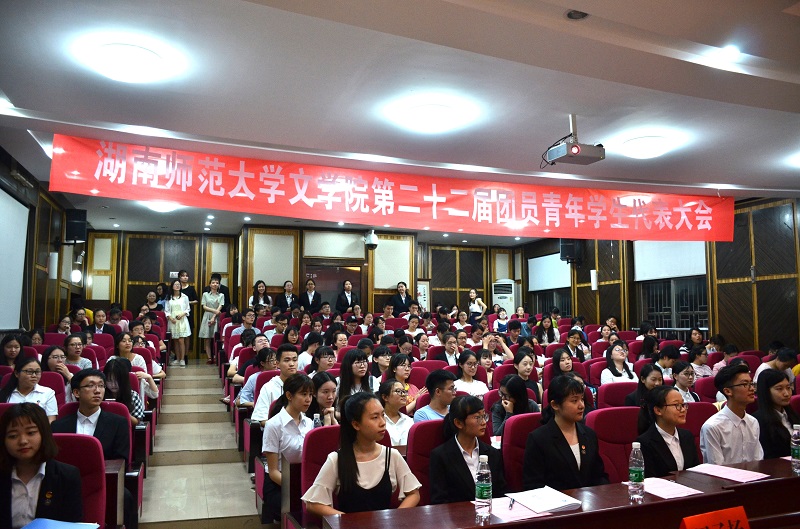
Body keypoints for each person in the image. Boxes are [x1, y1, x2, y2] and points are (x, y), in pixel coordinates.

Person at [302, 391, 420, 515]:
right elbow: (313, 504)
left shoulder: (392, 456)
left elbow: (414, 494)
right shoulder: (337, 459)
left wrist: (394, 517)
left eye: (383, 415)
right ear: (356, 424)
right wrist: (347, 520)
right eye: (375, 417)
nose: (383, 422)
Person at [51, 369, 136, 529]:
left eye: (101, 386)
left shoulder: (118, 423)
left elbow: (121, 459)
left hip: (104, 481)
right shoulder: (59, 426)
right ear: (76, 392)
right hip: (65, 482)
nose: (97, 390)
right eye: (90, 386)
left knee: (125, 497)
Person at [0, 403, 83, 528]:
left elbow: (72, 524)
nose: (23, 441)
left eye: (30, 433)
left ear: (44, 434)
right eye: (13, 436)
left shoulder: (67, 476)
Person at [523, 375, 608, 490]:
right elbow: (533, 486)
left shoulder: (589, 434)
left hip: (590, 499)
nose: (581, 405)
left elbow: (599, 476)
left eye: (582, 399)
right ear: (555, 405)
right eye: (574, 400)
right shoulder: (538, 439)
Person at [429, 395, 507, 504]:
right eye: (477, 417)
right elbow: (439, 501)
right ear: (459, 423)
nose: (484, 422)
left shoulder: (492, 453)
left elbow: (501, 493)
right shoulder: (440, 456)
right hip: (457, 514)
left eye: (484, 416)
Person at [261, 373, 314, 524]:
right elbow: (273, 472)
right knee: (299, 510)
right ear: (289, 395)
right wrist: (298, 488)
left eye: (310, 394)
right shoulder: (273, 425)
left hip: (303, 481)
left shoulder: (309, 423)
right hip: (280, 484)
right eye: (303, 394)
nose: (308, 399)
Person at [700, 363, 763, 464]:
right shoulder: (712, 427)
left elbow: (758, 460)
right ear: (728, 391)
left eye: (751, 383)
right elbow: (716, 468)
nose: (752, 389)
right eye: (745, 384)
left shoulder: (753, 422)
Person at [636, 385, 700, 477]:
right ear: (658, 410)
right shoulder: (645, 442)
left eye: (683, 404)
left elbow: (695, 471)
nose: (683, 410)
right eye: (676, 405)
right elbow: (649, 480)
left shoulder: (687, 436)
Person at [753, 369, 800, 458]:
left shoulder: (792, 415)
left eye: (788, 388)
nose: (786, 393)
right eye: (779, 389)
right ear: (766, 391)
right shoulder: (758, 421)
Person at [252, 344, 300, 424]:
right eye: (287, 360)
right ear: (277, 364)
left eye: (294, 360)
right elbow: (261, 419)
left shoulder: (303, 385)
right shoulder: (269, 388)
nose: (292, 364)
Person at [103, 358, 145, 426]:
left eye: (117, 380)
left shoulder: (133, 396)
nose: (113, 385)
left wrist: (121, 411)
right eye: (109, 381)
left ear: (124, 380)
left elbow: (137, 421)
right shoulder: (99, 395)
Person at [379, 379, 413, 446]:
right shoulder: (378, 421)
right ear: (385, 397)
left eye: (404, 391)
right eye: (398, 391)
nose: (403, 394)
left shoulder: (409, 421)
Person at [165, 278, 191, 366]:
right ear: (172, 286)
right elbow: (167, 310)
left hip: (182, 320)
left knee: (181, 340)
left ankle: (182, 359)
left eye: (178, 284)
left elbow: (187, 309)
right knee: (175, 340)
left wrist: (182, 314)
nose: (177, 286)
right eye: (175, 284)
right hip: (173, 320)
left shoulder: (184, 297)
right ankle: (177, 358)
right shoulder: (169, 297)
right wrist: (170, 318)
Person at [199, 275, 224, 364]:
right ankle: (209, 357)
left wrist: (214, 317)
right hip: (207, 316)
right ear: (210, 284)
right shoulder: (205, 294)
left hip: (216, 317)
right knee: (207, 338)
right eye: (213, 283)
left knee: (216, 338)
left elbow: (220, 306)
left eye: (217, 283)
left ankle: (216, 356)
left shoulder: (221, 295)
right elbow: (204, 306)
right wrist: (214, 311)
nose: (215, 284)